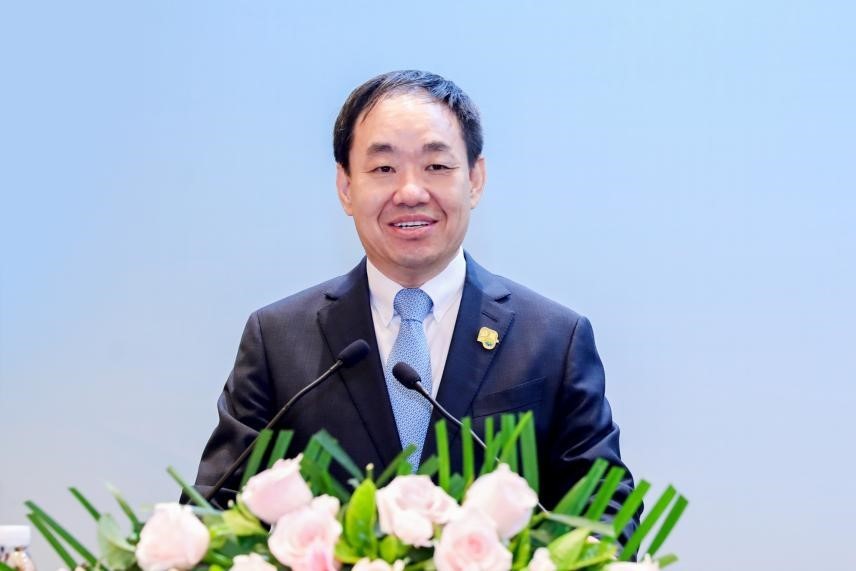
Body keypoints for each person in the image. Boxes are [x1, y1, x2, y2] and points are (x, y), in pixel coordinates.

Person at [193, 70, 636, 533]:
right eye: (383, 169)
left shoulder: (552, 339)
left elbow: (607, 513)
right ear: (346, 186)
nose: (410, 193)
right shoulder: (278, 340)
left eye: (437, 167)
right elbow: (217, 512)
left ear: (475, 179)